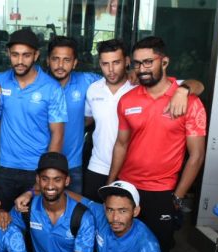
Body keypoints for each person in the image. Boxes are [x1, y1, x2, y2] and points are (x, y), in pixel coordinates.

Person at [107, 36, 207, 252]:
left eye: (148, 62)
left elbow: (197, 155)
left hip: (163, 192)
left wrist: (178, 196)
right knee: (124, 250)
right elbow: (121, 144)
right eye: (137, 64)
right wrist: (112, 183)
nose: (142, 69)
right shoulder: (127, 100)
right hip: (129, 187)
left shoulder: (188, 101)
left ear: (164, 62)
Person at [83, 39, 204, 202]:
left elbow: (198, 85)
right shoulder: (94, 90)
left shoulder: (144, 83)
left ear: (126, 62)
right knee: (99, 220)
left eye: (116, 62)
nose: (111, 70)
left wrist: (183, 91)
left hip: (144, 179)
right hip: (101, 166)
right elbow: (90, 122)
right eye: (105, 64)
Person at [0, 28, 67, 210]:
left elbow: (57, 134)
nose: (19, 61)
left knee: (33, 226)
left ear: (36, 55)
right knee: (2, 221)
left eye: (26, 55)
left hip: (36, 169)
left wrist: (47, 173)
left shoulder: (51, 88)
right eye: (15, 55)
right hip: (5, 167)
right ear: (8, 54)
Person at [46, 36, 100, 194]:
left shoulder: (87, 81)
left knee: (74, 214)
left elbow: (116, 81)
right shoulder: (38, 83)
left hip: (73, 165)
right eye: (55, 59)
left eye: (66, 60)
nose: (60, 65)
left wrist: (131, 74)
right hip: (41, 164)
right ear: (48, 60)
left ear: (75, 62)